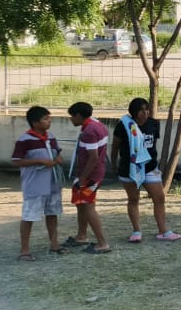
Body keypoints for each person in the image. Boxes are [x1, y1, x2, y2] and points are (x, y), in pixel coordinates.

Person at [112, 97, 179, 243]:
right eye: (141, 110)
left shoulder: (153, 124)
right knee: (133, 199)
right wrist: (113, 162)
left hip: (149, 166)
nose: (145, 113)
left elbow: (152, 145)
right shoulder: (124, 125)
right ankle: (136, 231)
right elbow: (115, 145)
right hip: (130, 167)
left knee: (159, 197)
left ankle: (163, 231)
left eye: (146, 109)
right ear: (133, 112)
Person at [12, 105, 64, 260]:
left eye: (49, 118)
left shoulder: (51, 137)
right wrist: (39, 161)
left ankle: (54, 243)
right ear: (35, 122)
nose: (49, 121)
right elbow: (16, 161)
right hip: (35, 184)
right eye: (45, 119)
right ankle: (25, 250)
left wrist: (58, 159)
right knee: (29, 216)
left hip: (52, 183)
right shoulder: (25, 140)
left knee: (52, 213)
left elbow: (57, 152)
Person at [66, 101, 112, 254]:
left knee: (88, 206)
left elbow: (93, 158)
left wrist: (82, 179)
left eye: (72, 116)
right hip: (93, 173)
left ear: (79, 115)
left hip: (89, 176)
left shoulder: (89, 132)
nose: (71, 119)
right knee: (81, 204)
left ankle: (102, 243)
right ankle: (81, 236)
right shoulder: (97, 125)